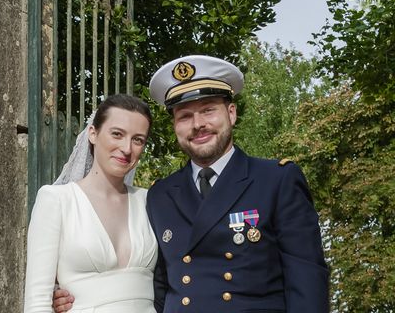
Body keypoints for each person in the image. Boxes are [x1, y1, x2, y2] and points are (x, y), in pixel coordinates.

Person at [53, 55, 329, 312]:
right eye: (184, 116)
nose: (197, 124)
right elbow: (151, 283)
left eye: (208, 110)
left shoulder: (276, 180)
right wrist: (80, 293)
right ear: (175, 126)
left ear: (231, 114)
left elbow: (307, 280)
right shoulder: (161, 194)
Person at [24, 94, 159, 313]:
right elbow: (37, 301)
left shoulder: (149, 201)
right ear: (93, 134)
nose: (126, 148)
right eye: (117, 134)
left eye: (138, 140)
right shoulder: (56, 200)